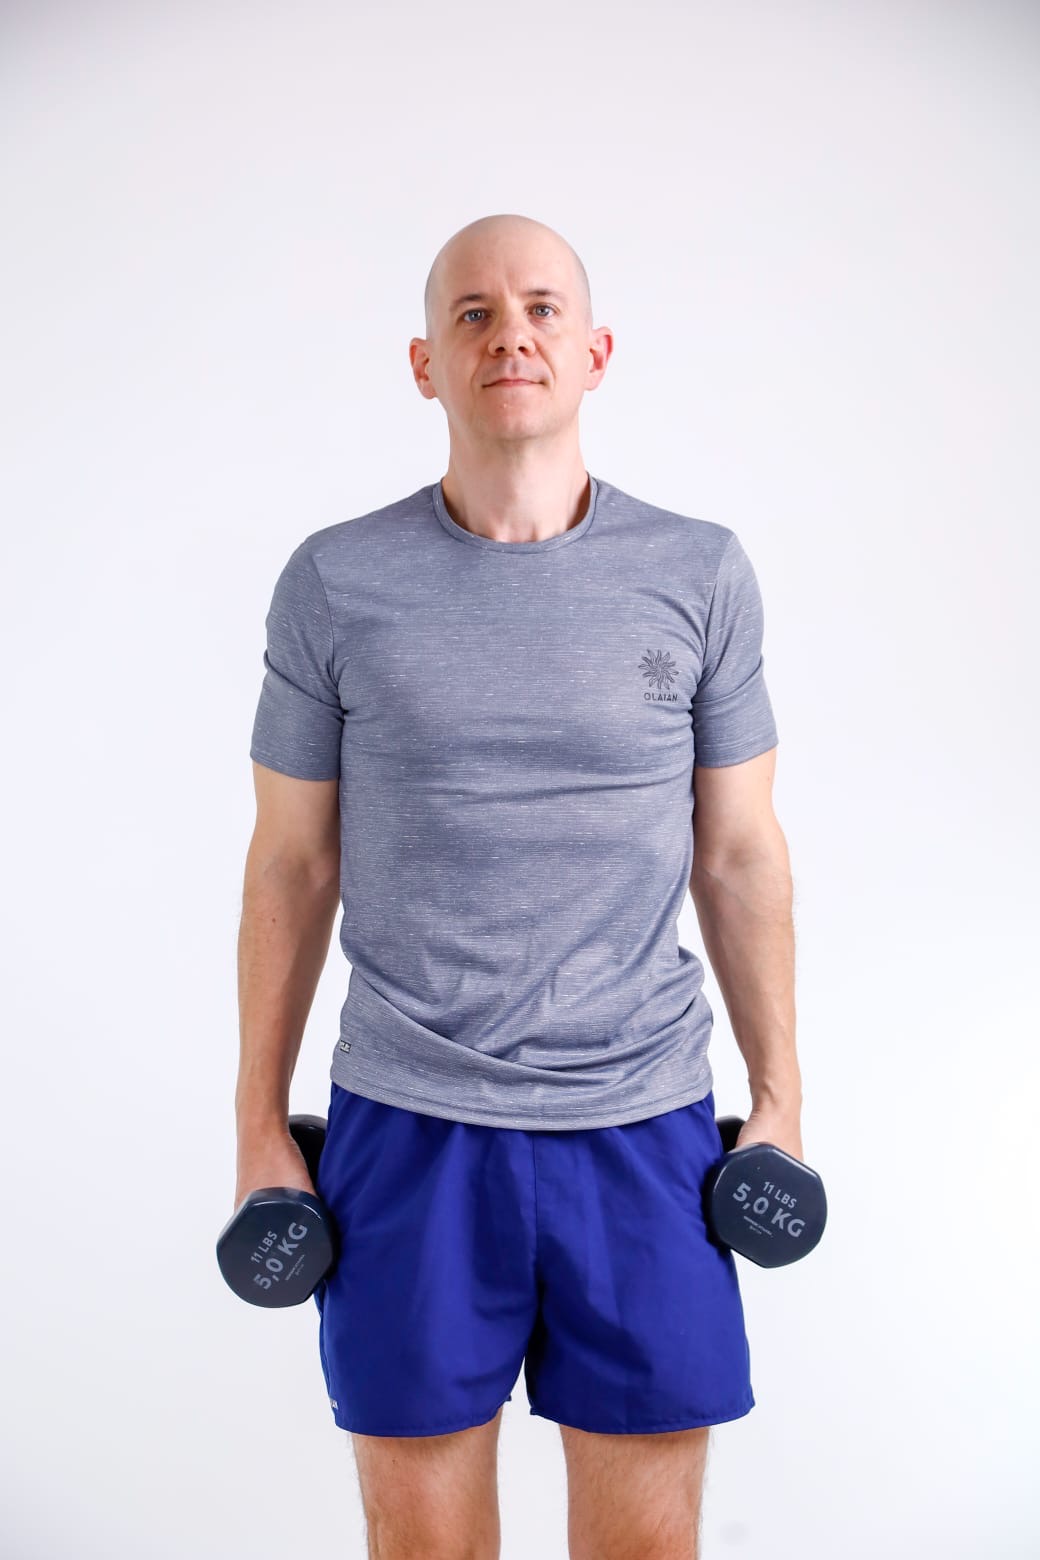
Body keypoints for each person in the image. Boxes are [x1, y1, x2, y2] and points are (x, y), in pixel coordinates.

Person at [234, 211, 803, 1560]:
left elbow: (739, 851)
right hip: (408, 1128)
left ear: (595, 351)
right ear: (424, 362)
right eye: (474, 313)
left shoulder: (700, 572)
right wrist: (258, 1123)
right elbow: (292, 862)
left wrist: (780, 1101)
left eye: (543, 307)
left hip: (643, 1125)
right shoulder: (335, 581)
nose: (512, 336)